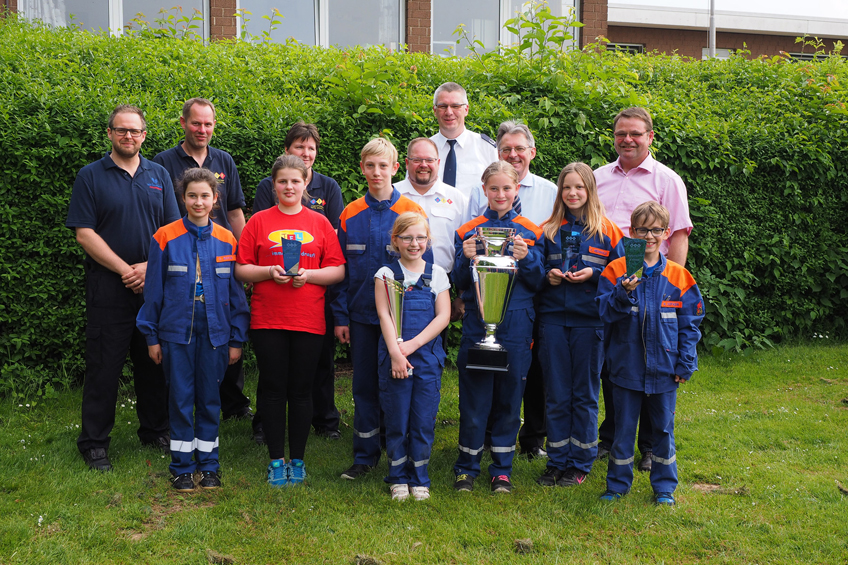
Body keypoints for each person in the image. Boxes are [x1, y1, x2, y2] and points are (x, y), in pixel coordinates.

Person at [66, 104, 180, 471]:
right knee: (104, 367)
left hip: (153, 287)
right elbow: (85, 234)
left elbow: (172, 232)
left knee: (153, 363)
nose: (128, 136)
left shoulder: (158, 175)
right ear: (110, 133)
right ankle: (95, 443)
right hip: (108, 288)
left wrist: (149, 267)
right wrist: (125, 270)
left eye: (135, 131)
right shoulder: (91, 176)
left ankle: (156, 430)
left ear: (144, 135)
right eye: (121, 130)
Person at [136, 168, 250, 491]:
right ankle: (182, 468)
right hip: (175, 334)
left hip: (216, 334)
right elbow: (153, 292)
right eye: (191, 196)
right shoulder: (165, 237)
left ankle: (210, 466)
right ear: (182, 198)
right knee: (181, 399)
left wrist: (236, 338)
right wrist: (151, 336)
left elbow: (235, 295)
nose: (198, 202)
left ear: (215, 199)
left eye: (205, 196)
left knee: (210, 399)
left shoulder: (227, 239)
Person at [235, 155, 345, 487]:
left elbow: (338, 270)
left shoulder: (320, 223)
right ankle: (274, 459)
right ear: (273, 185)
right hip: (268, 318)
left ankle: (297, 460)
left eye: (295, 181)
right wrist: (269, 272)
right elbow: (241, 268)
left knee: (300, 391)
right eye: (282, 181)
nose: (289, 187)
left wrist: (308, 276)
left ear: (305, 184)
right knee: (272, 390)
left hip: (308, 320)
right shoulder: (258, 222)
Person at [594, 107, 694, 472]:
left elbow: (678, 235)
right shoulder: (599, 177)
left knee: (652, 359)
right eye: (621, 133)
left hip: (653, 280)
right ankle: (613, 436)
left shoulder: (667, 180)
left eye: (636, 133)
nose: (628, 140)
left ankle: (651, 445)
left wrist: (672, 286)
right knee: (617, 359)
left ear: (650, 137)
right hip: (612, 278)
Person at [333, 138, 431, 481]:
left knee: (398, 384)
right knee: (364, 387)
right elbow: (341, 269)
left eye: (383, 166)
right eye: (370, 166)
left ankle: (397, 450)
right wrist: (341, 317)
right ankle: (364, 456)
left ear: (395, 168)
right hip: (362, 318)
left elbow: (424, 268)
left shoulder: (411, 212)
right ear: (362, 168)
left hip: (403, 321)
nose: (377, 172)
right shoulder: (350, 213)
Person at [596, 201, 704, 505]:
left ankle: (664, 488)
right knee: (622, 430)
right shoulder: (617, 270)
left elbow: (690, 324)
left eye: (656, 230)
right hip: (625, 368)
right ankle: (617, 485)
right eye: (642, 230)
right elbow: (603, 313)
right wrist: (623, 292)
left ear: (666, 233)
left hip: (666, 369)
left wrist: (686, 363)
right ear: (632, 232)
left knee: (663, 431)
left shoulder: (680, 277)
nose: (649, 236)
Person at [153, 98, 252, 423]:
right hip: (182, 257)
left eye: (208, 124)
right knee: (184, 333)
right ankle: (177, 414)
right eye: (196, 123)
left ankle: (232, 406)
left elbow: (235, 212)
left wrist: (245, 259)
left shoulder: (224, 160)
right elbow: (163, 218)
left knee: (221, 328)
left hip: (221, 257)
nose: (202, 129)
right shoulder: (164, 161)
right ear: (183, 123)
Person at [452, 161, 545, 494]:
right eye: (494, 188)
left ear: (517, 189)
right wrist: (464, 259)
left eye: (507, 188)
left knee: (509, 398)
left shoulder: (532, 232)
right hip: (479, 323)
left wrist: (529, 259)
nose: (501, 194)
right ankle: (466, 467)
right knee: (474, 398)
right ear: (484, 190)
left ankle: (502, 470)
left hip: (517, 323)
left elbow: (538, 283)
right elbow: (460, 282)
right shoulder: (468, 230)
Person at [468, 120, 558, 460]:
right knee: (491, 365)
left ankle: (533, 438)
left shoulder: (549, 191)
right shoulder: (482, 193)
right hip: (491, 293)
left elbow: (549, 246)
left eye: (520, 148)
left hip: (534, 294)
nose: (514, 154)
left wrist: (534, 263)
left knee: (532, 370)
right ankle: (490, 436)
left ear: (531, 152)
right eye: (506, 149)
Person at [253, 122, 345, 444]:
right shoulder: (269, 187)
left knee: (319, 361)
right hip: (274, 302)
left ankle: (325, 420)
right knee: (273, 368)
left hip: (314, 294)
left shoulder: (329, 188)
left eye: (311, 148)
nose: (305, 153)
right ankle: (265, 424)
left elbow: (333, 238)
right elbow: (260, 236)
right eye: (299, 147)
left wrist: (311, 273)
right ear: (287, 150)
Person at [535, 162, 624, 488]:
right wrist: (549, 276)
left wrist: (595, 273)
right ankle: (557, 461)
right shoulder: (547, 230)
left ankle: (580, 463)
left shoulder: (608, 231)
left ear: (590, 191)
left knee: (584, 395)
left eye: (579, 187)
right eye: (566, 187)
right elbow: (534, 272)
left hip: (591, 324)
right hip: (554, 321)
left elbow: (627, 275)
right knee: (557, 394)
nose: (573, 193)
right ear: (560, 192)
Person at [374, 212, 451, 501]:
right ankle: (397, 478)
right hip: (395, 358)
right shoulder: (386, 274)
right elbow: (384, 314)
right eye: (406, 237)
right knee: (397, 418)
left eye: (420, 237)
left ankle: (420, 478)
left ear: (428, 241)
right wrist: (396, 352)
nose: (413, 243)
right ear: (395, 240)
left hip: (427, 358)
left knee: (422, 419)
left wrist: (413, 345)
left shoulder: (438, 274)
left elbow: (443, 316)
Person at [429, 82, 498, 197]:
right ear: (435, 111)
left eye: (455, 106)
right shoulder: (424, 149)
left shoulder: (486, 148)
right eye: (443, 106)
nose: (449, 112)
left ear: (466, 109)